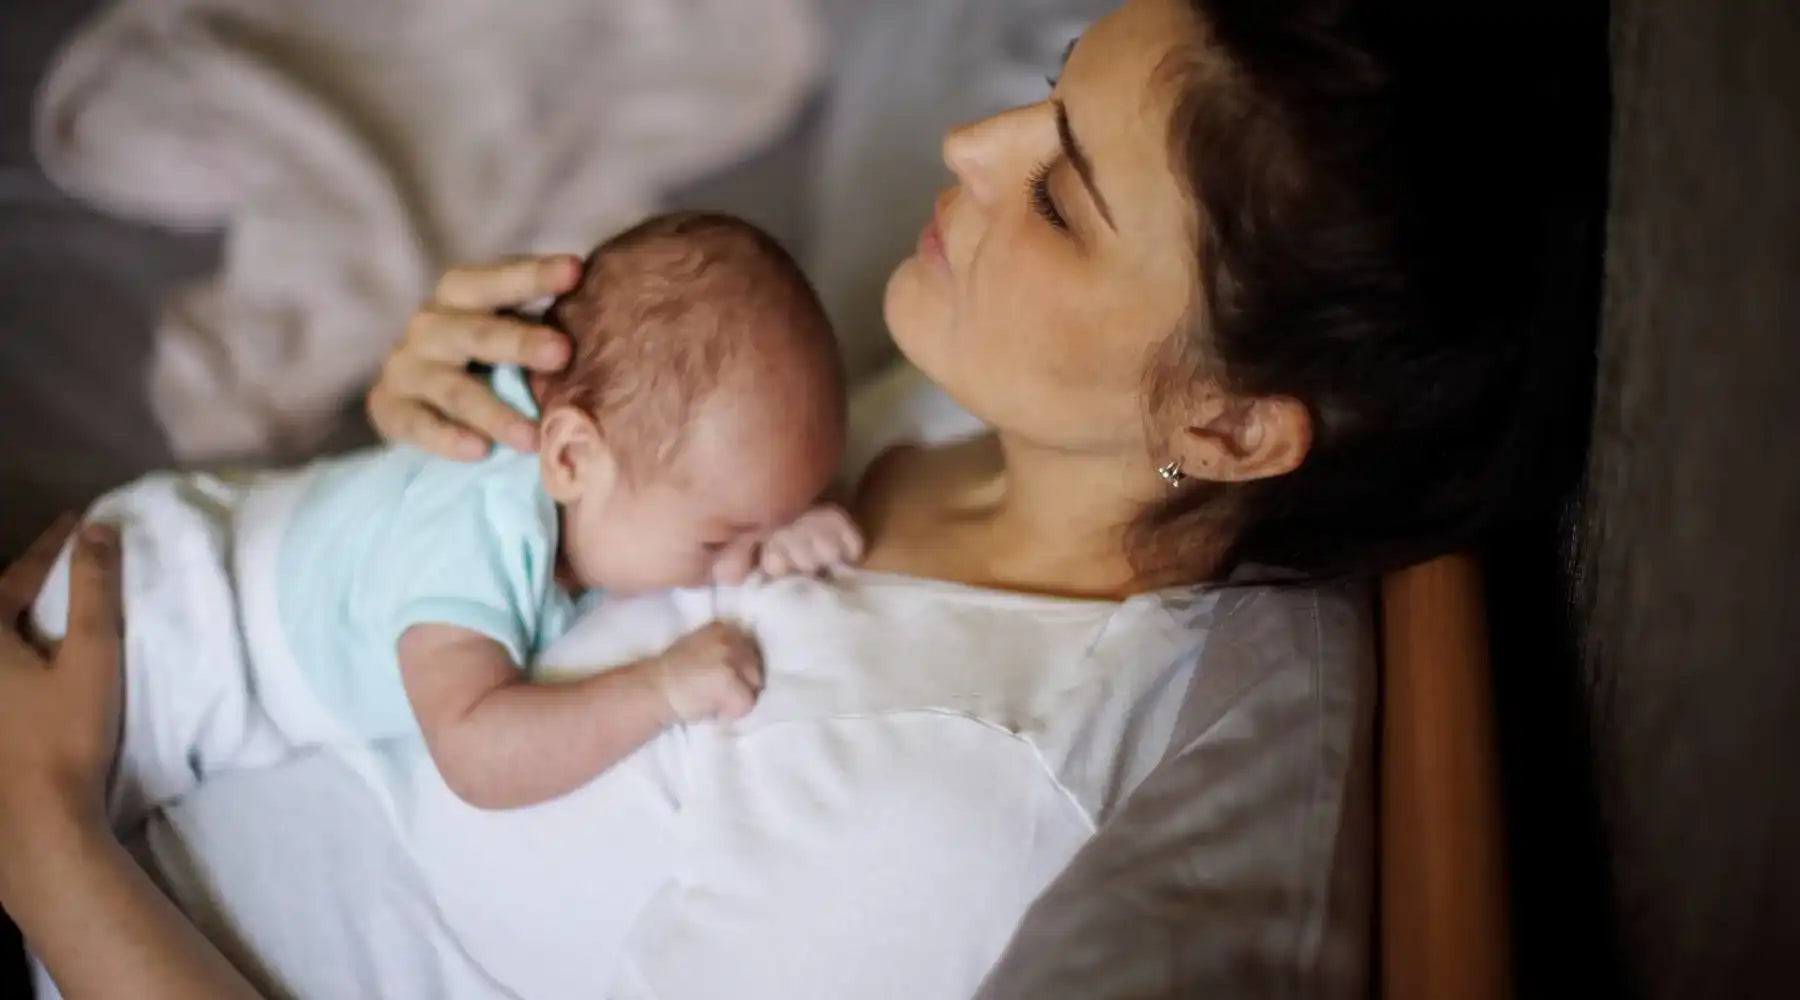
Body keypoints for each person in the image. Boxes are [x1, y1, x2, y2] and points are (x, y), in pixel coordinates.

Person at [0, 1, 1572, 996]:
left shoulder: (943, 812)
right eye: (1043, 84)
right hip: (163, 726)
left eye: (1065, 194)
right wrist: (469, 427)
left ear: (1226, 427)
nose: (967, 146)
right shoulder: (980, 412)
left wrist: (44, 836)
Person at [27, 211, 858, 819]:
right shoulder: (479, 537)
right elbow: (476, 752)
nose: (740, 561)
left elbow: (714, 478)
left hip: (202, 539)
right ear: (569, 459)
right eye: (721, 539)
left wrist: (779, 526)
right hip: (172, 642)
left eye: (762, 524)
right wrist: (658, 687)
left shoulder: (609, 450)